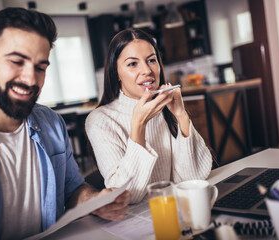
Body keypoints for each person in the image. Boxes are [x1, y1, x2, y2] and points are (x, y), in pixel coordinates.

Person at [0, 7, 130, 240]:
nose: (31, 79)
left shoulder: (51, 122)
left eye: (40, 67)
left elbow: (72, 189)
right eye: (17, 61)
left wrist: (95, 201)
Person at [85, 28, 212, 203]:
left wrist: (181, 115)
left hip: (177, 209)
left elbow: (193, 178)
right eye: (132, 64)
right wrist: (139, 124)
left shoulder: (166, 107)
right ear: (116, 73)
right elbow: (126, 196)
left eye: (151, 60)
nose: (147, 70)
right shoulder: (100, 120)